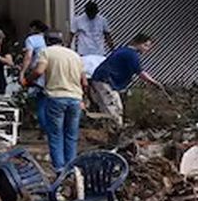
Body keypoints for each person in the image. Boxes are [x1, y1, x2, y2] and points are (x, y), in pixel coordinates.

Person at [28, 31, 86, 170]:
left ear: (47, 41)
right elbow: (84, 81)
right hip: (75, 98)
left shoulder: (46, 52)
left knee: (55, 134)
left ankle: (59, 169)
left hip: (56, 97)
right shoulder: (75, 55)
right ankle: (71, 167)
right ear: (62, 41)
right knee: (71, 135)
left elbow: (39, 71)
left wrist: (27, 80)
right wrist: (84, 98)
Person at [88, 33, 160, 119]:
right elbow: (140, 72)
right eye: (145, 45)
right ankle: (115, 129)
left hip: (103, 80)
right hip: (105, 81)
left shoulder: (124, 50)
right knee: (113, 109)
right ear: (137, 43)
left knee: (114, 107)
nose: (147, 49)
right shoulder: (131, 55)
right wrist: (154, 82)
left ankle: (110, 128)